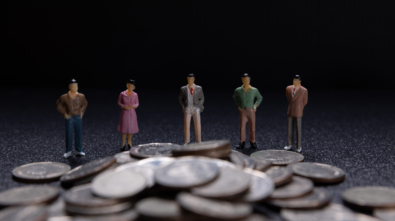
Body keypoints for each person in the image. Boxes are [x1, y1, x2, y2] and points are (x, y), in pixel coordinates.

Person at [56, 79, 88, 158]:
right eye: (73, 86)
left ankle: (78, 150)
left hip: (77, 117)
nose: (75, 87)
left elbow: (85, 103)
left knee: (78, 134)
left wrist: (82, 112)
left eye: (76, 86)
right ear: (69, 87)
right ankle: (68, 151)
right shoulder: (64, 97)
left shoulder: (81, 96)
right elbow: (58, 105)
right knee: (69, 134)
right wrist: (64, 113)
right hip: (69, 117)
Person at [233, 73, 262, 149]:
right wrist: (239, 105)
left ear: (249, 80)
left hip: (251, 111)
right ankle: (242, 142)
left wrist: (255, 106)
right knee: (242, 127)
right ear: (242, 80)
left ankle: (253, 142)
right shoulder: (238, 90)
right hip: (243, 111)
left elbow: (260, 98)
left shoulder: (254, 90)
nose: (246, 81)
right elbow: (235, 97)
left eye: (247, 80)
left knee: (252, 127)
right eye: (244, 80)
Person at [178, 73, 204, 145]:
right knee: (186, 126)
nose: (190, 80)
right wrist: (183, 106)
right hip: (188, 108)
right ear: (187, 79)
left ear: (194, 79)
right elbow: (180, 99)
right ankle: (186, 142)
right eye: (189, 79)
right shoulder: (183, 89)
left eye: (192, 79)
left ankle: (198, 141)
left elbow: (201, 98)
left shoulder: (199, 88)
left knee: (198, 125)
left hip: (195, 108)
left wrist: (199, 106)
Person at [284, 75, 308, 153]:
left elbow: (305, 101)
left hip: (298, 111)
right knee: (289, 128)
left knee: (298, 129)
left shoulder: (304, 90)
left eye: (297, 80)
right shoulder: (288, 88)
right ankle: (290, 144)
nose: (295, 82)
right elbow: (288, 98)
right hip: (290, 110)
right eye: (294, 80)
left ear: (300, 81)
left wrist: (300, 107)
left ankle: (298, 146)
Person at [117, 79, 139, 151]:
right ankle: (123, 144)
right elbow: (119, 102)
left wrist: (133, 106)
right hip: (125, 112)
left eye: (132, 86)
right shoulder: (122, 94)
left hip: (132, 113)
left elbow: (137, 103)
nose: (130, 87)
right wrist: (124, 106)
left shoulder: (135, 94)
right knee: (124, 128)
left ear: (134, 87)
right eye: (129, 86)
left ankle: (129, 143)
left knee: (131, 129)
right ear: (127, 85)